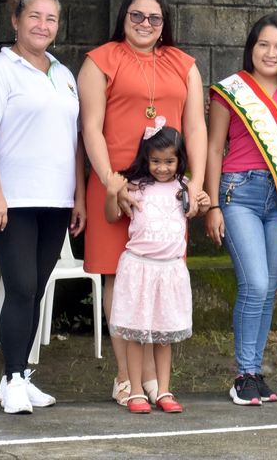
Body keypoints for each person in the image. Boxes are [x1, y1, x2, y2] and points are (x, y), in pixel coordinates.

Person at [78, 0, 207, 407]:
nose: (145, 24)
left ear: (164, 23)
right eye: (136, 15)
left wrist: (196, 184)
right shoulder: (100, 60)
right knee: (119, 278)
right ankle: (125, 377)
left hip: (167, 192)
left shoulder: (184, 64)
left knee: (159, 276)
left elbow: (196, 128)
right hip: (117, 186)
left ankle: (152, 377)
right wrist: (111, 181)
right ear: (124, 17)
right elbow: (90, 127)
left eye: (154, 17)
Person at [0, 0, 86, 414]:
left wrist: (79, 197)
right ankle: (14, 378)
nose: (43, 25)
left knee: (34, 290)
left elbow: (75, 140)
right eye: (34, 16)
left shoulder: (64, 73)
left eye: (51, 18)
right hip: (13, 200)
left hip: (56, 201)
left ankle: (17, 378)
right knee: (20, 287)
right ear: (15, 21)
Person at [204, 14, 277, 406]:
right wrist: (212, 204)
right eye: (264, 45)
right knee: (253, 283)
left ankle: (254, 372)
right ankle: (243, 373)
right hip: (239, 194)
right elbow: (214, 149)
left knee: (268, 288)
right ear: (251, 47)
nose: (271, 53)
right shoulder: (230, 91)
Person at [105, 121, 209, 413]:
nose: (162, 168)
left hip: (170, 271)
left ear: (179, 160)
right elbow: (112, 216)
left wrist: (204, 202)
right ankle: (136, 391)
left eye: (169, 161)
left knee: (164, 335)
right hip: (140, 269)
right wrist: (112, 193)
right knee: (137, 333)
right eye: (155, 161)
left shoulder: (184, 188)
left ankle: (164, 390)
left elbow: (198, 209)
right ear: (146, 159)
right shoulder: (136, 186)